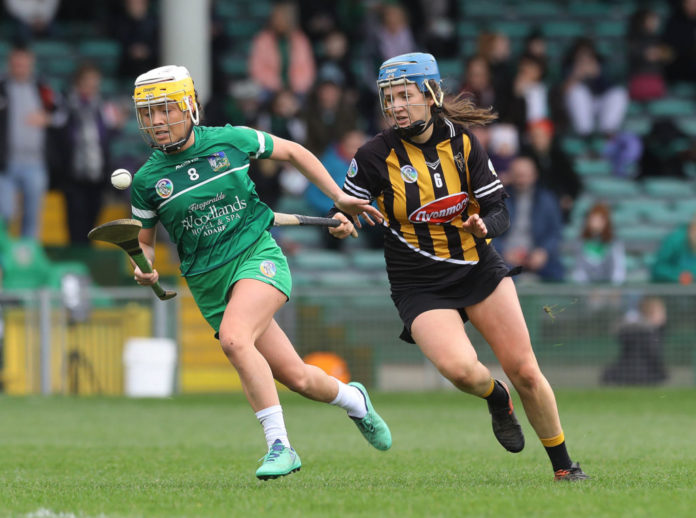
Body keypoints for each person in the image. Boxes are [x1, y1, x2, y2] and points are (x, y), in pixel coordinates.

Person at [328, 52, 589, 481]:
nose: (395, 105)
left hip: (476, 268)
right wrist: (341, 222)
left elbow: (498, 211)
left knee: (525, 369)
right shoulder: (374, 155)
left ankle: (564, 468)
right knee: (462, 371)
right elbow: (347, 208)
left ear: (431, 95)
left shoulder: (463, 142)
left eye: (404, 95)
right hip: (419, 283)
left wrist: (484, 225)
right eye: (388, 97)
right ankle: (495, 396)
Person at [128, 65, 391, 480]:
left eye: (166, 110)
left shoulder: (231, 140)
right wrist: (142, 267)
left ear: (189, 106)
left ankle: (280, 446)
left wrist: (340, 196)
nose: (158, 122)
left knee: (234, 340)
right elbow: (143, 241)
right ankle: (355, 400)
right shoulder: (146, 180)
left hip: (256, 256)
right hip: (209, 284)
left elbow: (295, 153)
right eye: (149, 113)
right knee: (298, 377)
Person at [54, 63, 125, 244]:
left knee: (93, 223)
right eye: (88, 82)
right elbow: (58, 132)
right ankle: (77, 261)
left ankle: (88, 261)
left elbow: (111, 135)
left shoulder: (102, 106)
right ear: (78, 82)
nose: (92, 87)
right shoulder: (65, 104)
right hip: (73, 174)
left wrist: (118, 124)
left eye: (95, 83)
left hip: (97, 174)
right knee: (75, 221)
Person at [0, 42, 58, 238]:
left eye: (23, 64)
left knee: (32, 219)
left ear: (30, 63)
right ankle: (4, 260)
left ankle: (27, 262)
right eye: (16, 64)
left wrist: (47, 118)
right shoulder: (2, 87)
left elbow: (63, 114)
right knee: (5, 214)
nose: (20, 68)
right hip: (5, 165)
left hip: (35, 163)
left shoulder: (42, 88)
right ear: (9, 63)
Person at [496, 156, 565, 282]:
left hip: (536, 253)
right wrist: (503, 252)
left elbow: (555, 232)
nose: (521, 180)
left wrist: (543, 251)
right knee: (503, 273)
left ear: (534, 176)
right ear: (511, 175)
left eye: (525, 175)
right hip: (507, 255)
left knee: (557, 272)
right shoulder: (498, 199)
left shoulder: (547, 200)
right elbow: (488, 234)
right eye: (517, 175)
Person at [570, 202, 626, 285]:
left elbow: (619, 272)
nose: (596, 222)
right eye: (593, 219)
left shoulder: (614, 244)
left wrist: (611, 289)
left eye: (599, 219)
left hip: (609, 292)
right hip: (588, 293)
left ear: (606, 222)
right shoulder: (581, 243)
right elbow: (579, 272)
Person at [651, 213, 696, 284]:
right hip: (670, 288)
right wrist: (679, 276)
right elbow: (658, 269)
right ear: (691, 228)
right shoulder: (674, 240)